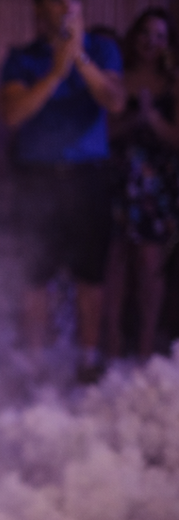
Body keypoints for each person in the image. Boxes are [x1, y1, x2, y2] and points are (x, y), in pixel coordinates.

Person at [0, 0, 125, 379]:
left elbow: (115, 100)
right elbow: (12, 114)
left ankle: (88, 360)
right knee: (35, 274)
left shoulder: (103, 50)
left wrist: (79, 57)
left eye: (71, 2)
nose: (65, 8)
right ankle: (35, 363)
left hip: (88, 177)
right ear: (40, 12)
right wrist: (56, 71)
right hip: (36, 179)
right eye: (55, 2)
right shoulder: (23, 57)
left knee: (91, 274)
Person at [105, 8, 179, 360]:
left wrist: (152, 118)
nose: (152, 41)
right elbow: (105, 132)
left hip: (157, 184)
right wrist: (135, 118)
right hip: (118, 178)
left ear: (168, 42)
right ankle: (111, 342)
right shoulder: (117, 77)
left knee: (150, 263)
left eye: (160, 36)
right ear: (134, 37)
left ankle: (147, 344)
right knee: (115, 260)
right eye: (146, 34)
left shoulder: (174, 82)